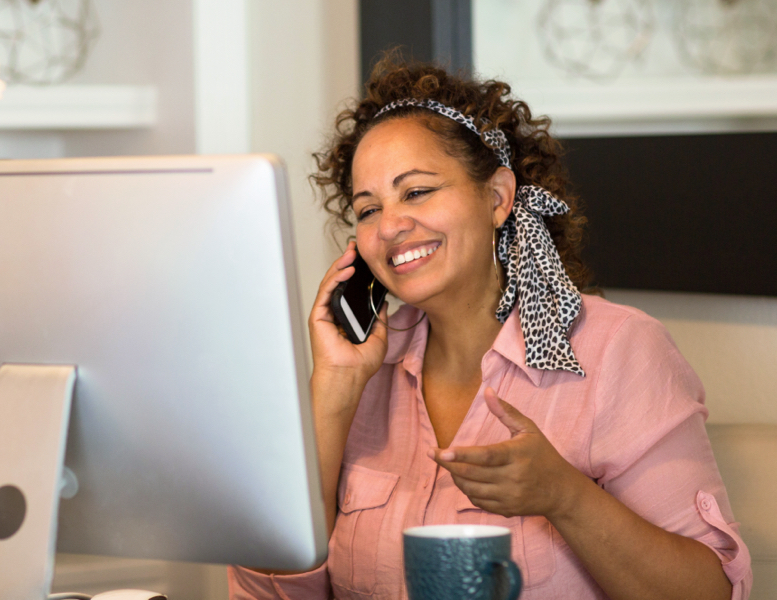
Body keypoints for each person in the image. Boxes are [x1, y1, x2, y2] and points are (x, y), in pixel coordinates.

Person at [229, 55, 752, 600]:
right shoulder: (362, 369)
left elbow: (708, 593)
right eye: (367, 210)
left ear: (497, 197)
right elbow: (265, 594)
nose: (389, 227)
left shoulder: (618, 349)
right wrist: (334, 385)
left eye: (416, 192)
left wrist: (566, 497)